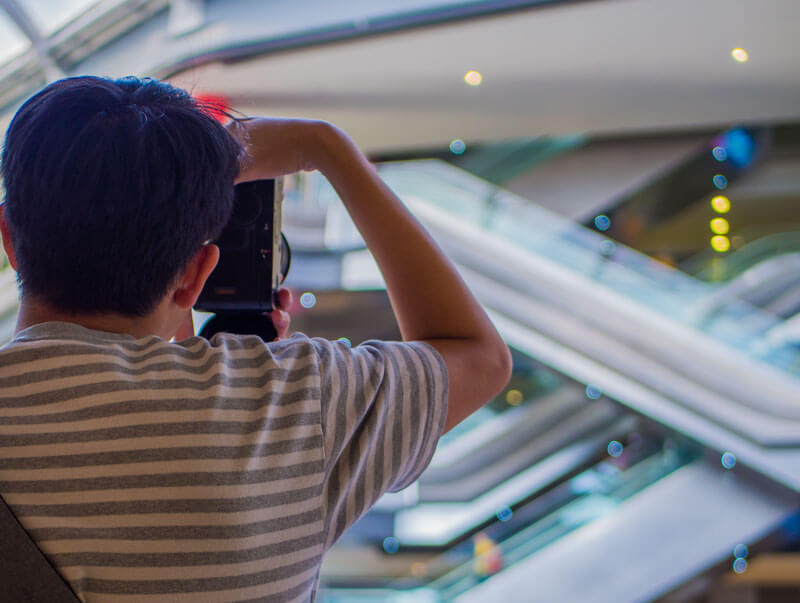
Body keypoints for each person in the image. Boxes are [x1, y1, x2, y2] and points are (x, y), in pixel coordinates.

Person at [0, 75, 511, 601]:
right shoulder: (296, 404)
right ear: (197, 274)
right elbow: (479, 355)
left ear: (9, 237)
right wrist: (326, 148)